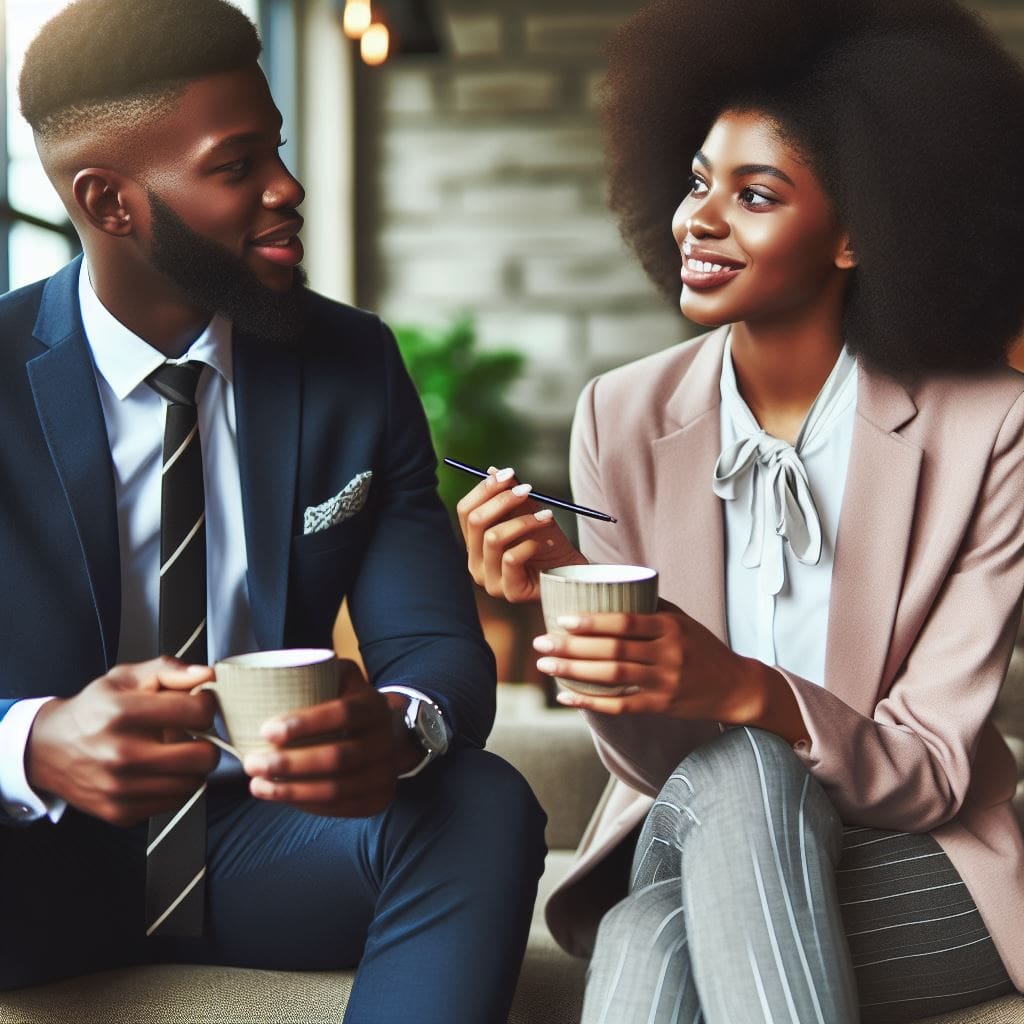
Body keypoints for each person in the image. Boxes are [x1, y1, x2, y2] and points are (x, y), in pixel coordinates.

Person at [456, 0, 1024, 1020]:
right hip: (694, 821)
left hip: (928, 859)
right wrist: (563, 596)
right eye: (695, 181)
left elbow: (936, 768)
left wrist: (746, 688)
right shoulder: (622, 415)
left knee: (651, 927)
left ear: (858, 232)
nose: (698, 220)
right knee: (741, 776)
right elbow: (647, 760)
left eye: (754, 195)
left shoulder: (991, 425)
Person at [0, 2, 546, 1021]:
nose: (286, 189)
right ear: (109, 200)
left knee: (479, 802)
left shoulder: (353, 364)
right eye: (235, 164)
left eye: (278, 151)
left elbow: (434, 644)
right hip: (25, 858)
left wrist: (397, 728)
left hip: (269, 839)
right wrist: (32, 744)